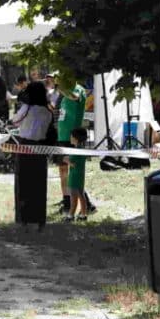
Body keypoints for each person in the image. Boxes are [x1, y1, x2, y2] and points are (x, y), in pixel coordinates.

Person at [53, 73, 87, 215]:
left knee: (73, 173)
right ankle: (66, 201)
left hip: (72, 137)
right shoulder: (63, 93)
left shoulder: (78, 89)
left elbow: (75, 97)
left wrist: (60, 89)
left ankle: (86, 204)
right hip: (62, 135)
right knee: (63, 171)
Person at [64, 127, 89, 222]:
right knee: (80, 195)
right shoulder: (80, 149)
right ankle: (83, 214)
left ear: (76, 138)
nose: (70, 138)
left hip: (75, 176)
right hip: (78, 175)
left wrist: (66, 160)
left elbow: (74, 164)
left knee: (75, 196)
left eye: (71, 136)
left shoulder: (78, 150)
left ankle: (71, 215)